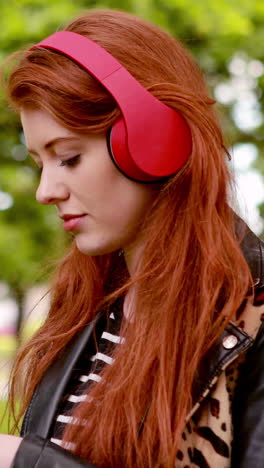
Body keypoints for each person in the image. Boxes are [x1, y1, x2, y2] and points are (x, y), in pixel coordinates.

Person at [1, 8, 264, 468]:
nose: (46, 191)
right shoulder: (88, 307)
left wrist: (29, 462)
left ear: (154, 140)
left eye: (68, 158)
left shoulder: (253, 317)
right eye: (40, 163)